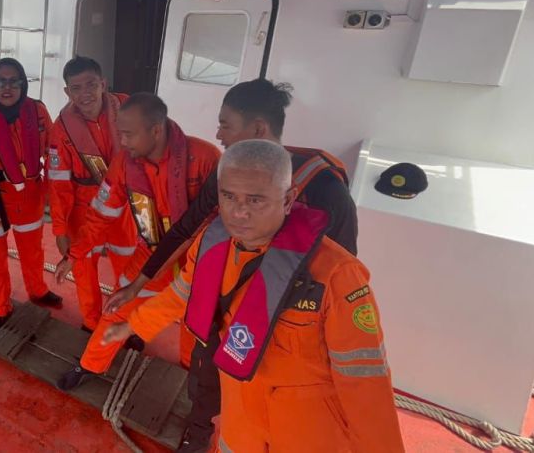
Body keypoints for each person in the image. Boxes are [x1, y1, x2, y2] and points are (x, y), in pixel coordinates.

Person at [103, 140, 404, 453]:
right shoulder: (212, 243)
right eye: (228, 196)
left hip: (308, 430)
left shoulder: (337, 276)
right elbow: (182, 293)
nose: (238, 212)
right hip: (239, 416)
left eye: (255, 200)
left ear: (288, 200)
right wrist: (134, 325)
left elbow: (365, 381)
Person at [54, 92, 221, 390]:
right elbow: (101, 215)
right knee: (118, 304)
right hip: (151, 251)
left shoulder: (206, 158)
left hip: (197, 258)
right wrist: (74, 255)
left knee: (195, 322)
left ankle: (189, 376)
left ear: (155, 130)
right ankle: (90, 365)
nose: (123, 141)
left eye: (129, 134)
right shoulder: (124, 163)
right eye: (120, 133)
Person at [0, 58, 62, 334]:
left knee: (33, 249)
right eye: (0, 81)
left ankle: (37, 291)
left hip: (31, 193)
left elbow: (53, 153)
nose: (6, 88)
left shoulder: (38, 111)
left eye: (13, 82)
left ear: (23, 84)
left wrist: (53, 194)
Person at [47, 56, 136, 331]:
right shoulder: (60, 129)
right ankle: (92, 323)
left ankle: (124, 322)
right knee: (84, 270)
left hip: (124, 206)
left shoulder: (129, 108)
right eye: (76, 88)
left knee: (129, 270)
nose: (85, 93)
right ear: (67, 92)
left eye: (91, 85)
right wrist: (60, 230)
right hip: (83, 210)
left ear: (103, 84)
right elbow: (58, 185)